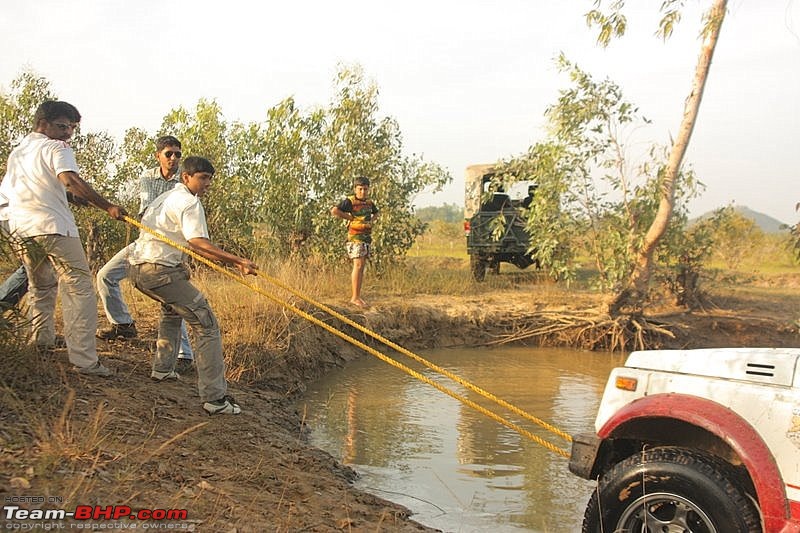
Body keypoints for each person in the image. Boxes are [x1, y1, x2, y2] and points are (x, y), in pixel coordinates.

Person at [0, 100, 126, 375]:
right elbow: (69, 179)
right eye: (62, 126)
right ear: (42, 124)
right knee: (79, 287)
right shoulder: (57, 147)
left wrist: (70, 197)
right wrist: (108, 207)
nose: (68, 132)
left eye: (71, 127)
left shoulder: (19, 152)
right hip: (52, 226)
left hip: (19, 227)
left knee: (41, 286)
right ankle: (84, 360)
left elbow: (35, 187)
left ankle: (41, 343)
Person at [128, 156, 257, 414]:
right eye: (203, 178)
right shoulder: (189, 202)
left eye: (210, 178)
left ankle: (163, 370)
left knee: (173, 310)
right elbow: (198, 242)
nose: (207, 183)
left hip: (137, 270)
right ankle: (215, 400)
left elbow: (180, 241)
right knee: (206, 324)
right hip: (158, 271)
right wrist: (238, 260)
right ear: (186, 178)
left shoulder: (165, 197)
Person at [95, 136, 195, 370]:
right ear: (158, 155)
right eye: (169, 154)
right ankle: (123, 325)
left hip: (169, 248)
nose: (173, 159)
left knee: (170, 298)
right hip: (145, 241)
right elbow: (147, 212)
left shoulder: (185, 181)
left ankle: (184, 355)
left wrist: (183, 257)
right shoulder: (148, 177)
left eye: (178, 154)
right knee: (105, 276)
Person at [330, 176, 379, 308]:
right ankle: (355, 298)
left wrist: (369, 222)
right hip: (355, 237)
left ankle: (357, 296)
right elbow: (335, 210)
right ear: (355, 189)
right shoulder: (350, 201)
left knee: (361, 266)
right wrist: (350, 218)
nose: (363, 192)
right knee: (358, 265)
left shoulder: (369, 203)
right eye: (360, 189)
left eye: (365, 189)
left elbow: (376, 213)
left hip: (366, 237)